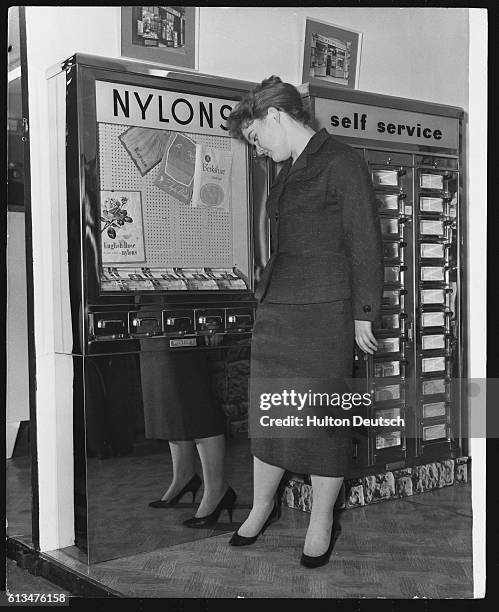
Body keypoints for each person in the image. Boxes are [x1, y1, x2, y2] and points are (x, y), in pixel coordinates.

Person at [226, 76, 383, 567]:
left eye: (255, 137)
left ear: (275, 116)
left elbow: (364, 242)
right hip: (278, 311)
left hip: (323, 313)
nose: (256, 148)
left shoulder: (340, 161)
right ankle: (262, 508)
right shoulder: (288, 169)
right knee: (269, 415)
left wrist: (363, 315)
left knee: (320, 422)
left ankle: (320, 524)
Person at [144, 350, 236, 527]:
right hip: (153, 331)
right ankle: (183, 477)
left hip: (188, 333)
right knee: (170, 400)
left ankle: (217, 490)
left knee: (195, 401)